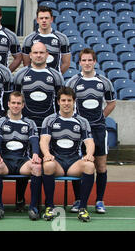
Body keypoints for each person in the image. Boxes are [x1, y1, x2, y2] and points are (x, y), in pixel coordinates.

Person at [13, 42, 64, 211]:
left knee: (46, 163)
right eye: (35, 52)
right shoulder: (21, 75)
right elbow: (15, 100)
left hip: (48, 127)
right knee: (24, 161)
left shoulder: (55, 76)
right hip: (26, 127)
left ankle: (42, 201)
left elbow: (60, 103)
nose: (39, 55)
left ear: (47, 54)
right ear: (31, 54)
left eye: (42, 52)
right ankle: (20, 198)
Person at [66, 48, 116, 214]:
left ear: (95, 62)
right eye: (84, 60)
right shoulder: (73, 82)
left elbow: (111, 103)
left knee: (100, 166)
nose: (87, 63)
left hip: (99, 129)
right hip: (78, 131)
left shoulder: (104, 82)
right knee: (78, 165)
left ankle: (100, 200)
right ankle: (78, 199)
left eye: (90, 60)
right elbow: (67, 103)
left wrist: (101, 117)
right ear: (79, 62)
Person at [40, 86, 95, 222]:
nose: (66, 103)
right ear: (58, 102)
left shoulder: (82, 121)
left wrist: (89, 154)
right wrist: (46, 154)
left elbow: (89, 142)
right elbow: (44, 140)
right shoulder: (49, 120)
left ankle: (82, 208)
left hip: (74, 162)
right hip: (57, 161)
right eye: (63, 100)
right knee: (47, 165)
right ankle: (50, 206)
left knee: (89, 166)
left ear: (74, 101)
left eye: (69, 100)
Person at [0, 91, 42, 221]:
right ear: (8, 104)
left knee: (37, 167)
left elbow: (34, 141)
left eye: (19, 103)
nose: (16, 106)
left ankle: (33, 207)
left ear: (23, 105)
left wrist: (35, 154)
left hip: (22, 161)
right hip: (5, 161)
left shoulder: (30, 123)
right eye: (13, 103)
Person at [22, 5, 70, 74]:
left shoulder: (62, 38)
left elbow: (66, 63)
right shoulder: (29, 39)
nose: (44, 20)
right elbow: (26, 63)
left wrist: (55, 76)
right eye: (41, 18)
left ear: (51, 19)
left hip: (54, 81)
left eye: (46, 18)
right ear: (37, 20)